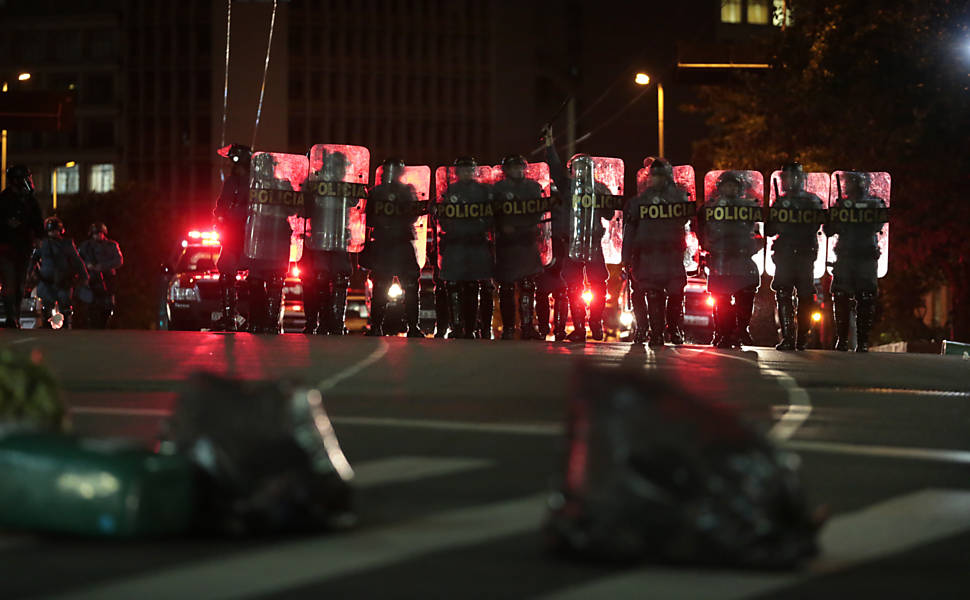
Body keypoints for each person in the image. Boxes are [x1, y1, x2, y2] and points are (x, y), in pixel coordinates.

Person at [544, 127, 614, 342]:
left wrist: (601, 198)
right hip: (572, 243)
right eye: (578, 167)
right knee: (574, 286)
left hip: (592, 242)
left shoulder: (600, 188)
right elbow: (555, 170)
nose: (581, 171)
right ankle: (581, 328)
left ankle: (595, 322)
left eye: (585, 167)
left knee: (598, 284)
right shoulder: (568, 187)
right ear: (572, 170)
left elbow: (610, 215)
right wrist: (549, 146)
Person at [622, 158, 691, 347]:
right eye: (655, 176)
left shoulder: (678, 198)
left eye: (661, 176)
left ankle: (673, 328)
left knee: (676, 293)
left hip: (672, 255)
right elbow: (630, 230)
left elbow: (688, 223)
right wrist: (626, 257)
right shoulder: (639, 202)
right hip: (648, 256)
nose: (657, 180)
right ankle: (656, 333)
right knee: (653, 294)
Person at [360, 158, 426, 337]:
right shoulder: (391, 192)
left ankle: (403, 327)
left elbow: (370, 219)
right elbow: (368, 218)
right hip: (389, 244)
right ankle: (385, 326)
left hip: (395, 243)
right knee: (386, 286)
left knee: (407, 286)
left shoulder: (399, 192)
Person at [698, 171, 763, 349]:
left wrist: (755, 245)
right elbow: (701, 230)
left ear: (740, 187)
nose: (730, 188)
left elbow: (762, 230)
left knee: (745, 298)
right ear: (719, 188)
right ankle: (724, 333)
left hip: (743, 260)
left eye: (734, 185)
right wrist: (708, 247)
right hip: (721, 262)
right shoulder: (710, 208)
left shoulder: (751, 206)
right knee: (721, 301)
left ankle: (741, 329)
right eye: (727, 185)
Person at [824, 171, 887, 353]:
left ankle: (862, 341)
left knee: (866, 298)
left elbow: (878, 225)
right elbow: (828, 230)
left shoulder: (875, 204)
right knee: (841, 297)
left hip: (866, 256)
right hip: (845, 256)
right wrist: (836, 215)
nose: (848, 186)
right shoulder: (841, 204)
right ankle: (843, 340)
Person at [301, 149, 361, 336]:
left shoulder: (341, 186)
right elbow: (303, 210)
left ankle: (331, 323)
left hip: (337, 239)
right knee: (318, 280)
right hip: (317, 240)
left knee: (337, 279)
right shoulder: (313, 184)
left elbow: (357, 202)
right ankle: (322, 322)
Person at [766, 162, 825, 351]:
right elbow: (770, 229)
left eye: (790, 177)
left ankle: (800, 337)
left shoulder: (812, 202)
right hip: (786, 254)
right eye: (785, 177)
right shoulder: (786, 202)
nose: (787, 181)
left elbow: (821, 225)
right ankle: (790, 337)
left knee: (805, 296)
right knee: (784, 293)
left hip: (803, 254)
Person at [436, 156, 494, 339]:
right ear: (457, 172)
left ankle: (474, 328)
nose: (466, 173)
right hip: (456, 244)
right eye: (463, 170)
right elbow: (443, 220)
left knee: (475, 287)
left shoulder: (484, 191)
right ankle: (458, 326)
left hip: (476, 244)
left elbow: (492, 217)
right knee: (453, 285)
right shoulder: (449, 191)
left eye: (470, 170)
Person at [244, 153, 299, 334]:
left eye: (268, 166)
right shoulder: (253, 185)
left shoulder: (283, 185)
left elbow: (294, 208)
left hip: (276, 241)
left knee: (275, 283)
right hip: (259, 241)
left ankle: (270, 323)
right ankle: (257, 322)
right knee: (256, 282)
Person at [492, 154, 545, 340]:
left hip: (526, 241)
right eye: (512, 168)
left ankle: (528, 327)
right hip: (506, 244)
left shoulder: (532, 187)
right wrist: (502, 226)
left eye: (519, 167)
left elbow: (538, 213)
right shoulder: (498, 189)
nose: (516, 171)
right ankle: (508, 328)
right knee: (506, 288)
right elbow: (492, 214)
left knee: (528, 286)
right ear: (506, 170)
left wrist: (525, 225)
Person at [212, 144, 251, 332]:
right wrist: (219, 216)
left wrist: (236, 213)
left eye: (235, 159)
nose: (233, 164)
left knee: (258, 277)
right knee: (226, 272)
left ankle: (256, 317)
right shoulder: (230, 182)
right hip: (232, 234)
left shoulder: (255, 181)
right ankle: (229, 317)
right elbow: (222, 203)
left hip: (251, 233)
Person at [0, 165, 44, 328]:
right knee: (9, 283)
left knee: (19, 284)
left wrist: (39, 237)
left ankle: (16, 314)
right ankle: (11, 316)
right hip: (6, 248)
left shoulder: (30, 201)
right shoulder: (4, 199)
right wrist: (7, 223)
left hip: (23, 248)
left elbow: (38, 220)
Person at [32, 217, 88, 329]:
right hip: (46, 279)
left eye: (55, 230)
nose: (53, 233)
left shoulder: (67, 244)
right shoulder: (43, 244)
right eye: (51, 230)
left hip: (63, 279)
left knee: (65, 303)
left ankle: (66, 323)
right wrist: (30, 273)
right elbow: (33, 259)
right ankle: (46, 322)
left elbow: (77, 260)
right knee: (46, 303)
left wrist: (84, 275)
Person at [535, 182, 570, 341]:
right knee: (546, 293)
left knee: (557, 292)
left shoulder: (560, 208)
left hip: (556, 249)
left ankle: (554, 328)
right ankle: (551, 328)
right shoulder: (544, 206)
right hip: (546, 249)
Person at [78, 222, 123, 328]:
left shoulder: (112, 245)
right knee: (89, 305)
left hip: (107, 279)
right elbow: (77, 260)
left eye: (99, 233)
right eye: (95, 233)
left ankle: (104, 323)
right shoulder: (86, 246)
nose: (97, 235)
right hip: (91, 279)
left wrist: (102, 266)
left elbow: (119, 260)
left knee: (108, 306)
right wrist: (86, 265)